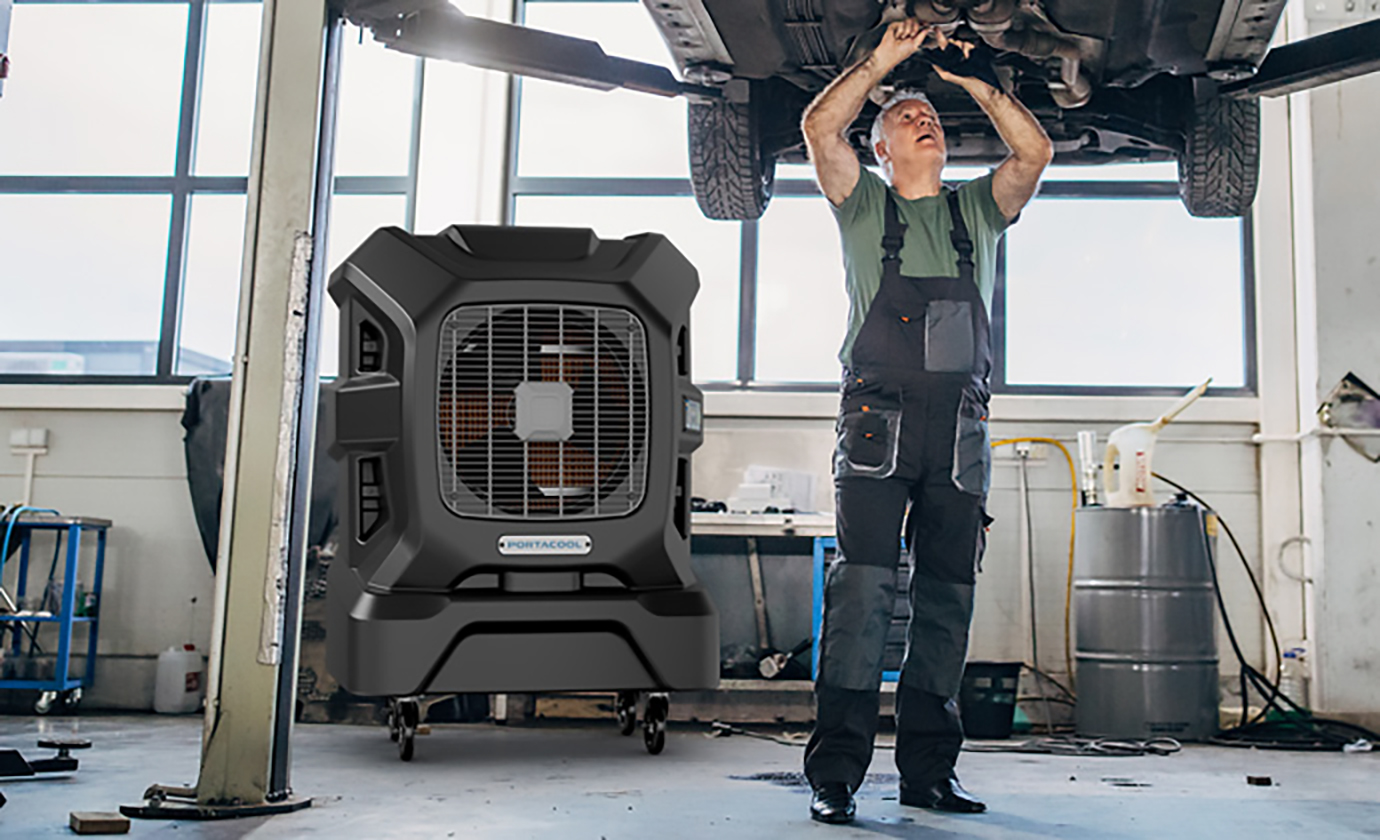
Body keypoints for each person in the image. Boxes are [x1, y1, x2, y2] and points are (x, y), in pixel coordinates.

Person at [800, 18, 1052, 825]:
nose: (924, 119)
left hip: (960, 431)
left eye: (932, 116)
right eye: (905, 119)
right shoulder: (864, 207)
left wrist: (974, 79)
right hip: (879, 422)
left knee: (945, 605)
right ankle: (836, 775)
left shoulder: (978, 212)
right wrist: (886, 62)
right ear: (881, 151)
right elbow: (818, 127)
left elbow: (1033, 154)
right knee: (863, 599)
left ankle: (928, 774)